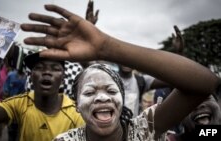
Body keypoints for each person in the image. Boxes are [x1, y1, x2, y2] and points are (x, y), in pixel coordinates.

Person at [20, 4, 220, 140]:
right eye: (89, 92)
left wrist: (106, 47)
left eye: (111, 90)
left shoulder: (144, 129)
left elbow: (205, 84)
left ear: (122, 99)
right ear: (76, 105)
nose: (101, 97)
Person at [0, 45, 84, 141]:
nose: (47, 72)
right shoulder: (19, 103)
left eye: (55, 69)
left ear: (63, 78)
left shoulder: (76, 113)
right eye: (39, 68)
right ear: (31, 76)